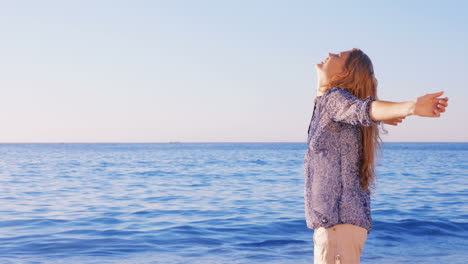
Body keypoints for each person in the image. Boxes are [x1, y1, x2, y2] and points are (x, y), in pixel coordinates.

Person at [304, 48, 449, 264]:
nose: (330, 53)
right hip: (337, 226)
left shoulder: (333, 100)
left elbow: (363, 109)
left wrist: (410, 107)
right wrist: (385, 114)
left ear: (343, 74)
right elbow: (364, 110)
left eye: (338, 56)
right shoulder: (327, 104)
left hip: (338, 226)